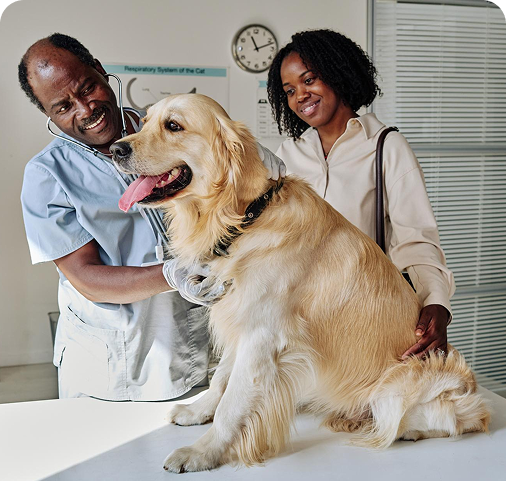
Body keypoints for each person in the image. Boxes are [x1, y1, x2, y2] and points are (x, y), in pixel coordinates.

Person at [18, 33, 284, 401]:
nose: (84, 110)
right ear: (48, 114)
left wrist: (251, 160)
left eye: (87, 88)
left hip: (205, 350)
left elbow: (245, 176)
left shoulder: (164, 124)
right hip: (116, 367)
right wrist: (173, 274)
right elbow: (86, 278)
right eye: (63, 107)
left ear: (99, 70)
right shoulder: (47, 176)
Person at [267, 29, 455, 359]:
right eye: (290, 91)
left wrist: (436, 301)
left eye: (309, 80)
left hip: (364, 316)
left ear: (337, 71)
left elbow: (416, 238)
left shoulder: (385, 147)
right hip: (298, 320)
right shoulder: (286, 156)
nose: (300, 95)